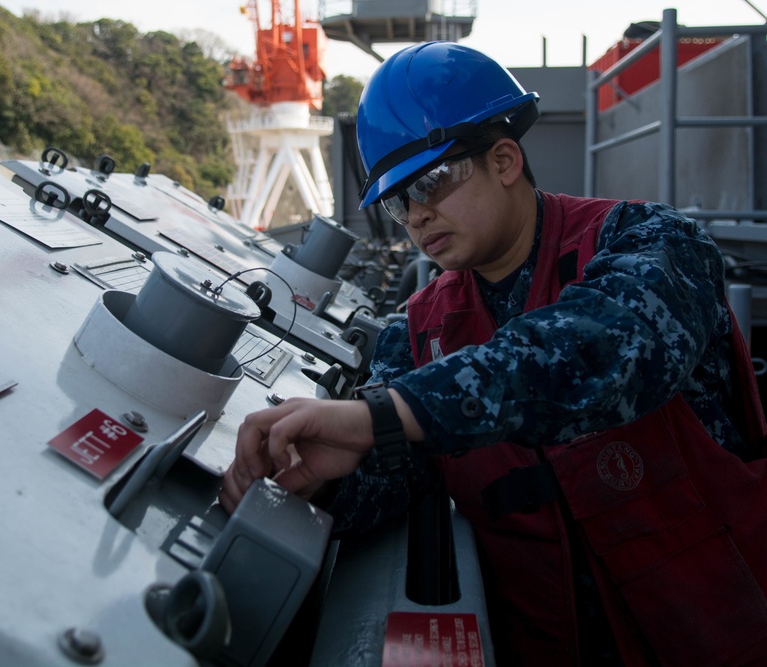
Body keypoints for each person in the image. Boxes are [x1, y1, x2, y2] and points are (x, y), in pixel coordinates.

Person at [219, 41, 767, 666]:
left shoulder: (653, 241)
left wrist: (384, 415)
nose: (418, 215)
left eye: (430, 182)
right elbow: (400, 475)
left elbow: (602, 350)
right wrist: (321, 485)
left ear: (504, 159)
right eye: (399, 202)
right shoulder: (419, 330)